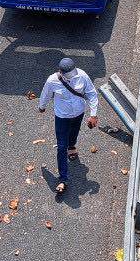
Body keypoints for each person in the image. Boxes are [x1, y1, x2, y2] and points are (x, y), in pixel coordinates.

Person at [38, 57, 98, 194]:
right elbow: (46, 94)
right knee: (61, 146)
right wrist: (42, 106)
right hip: (62, 116)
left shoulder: (82, 76)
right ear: (61, 72)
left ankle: (72, 146)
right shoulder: (52, 80)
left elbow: (91, 94)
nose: (71, 77)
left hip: (79, 113)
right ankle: (63, 178)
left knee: (74, 133)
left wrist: (93, 114)